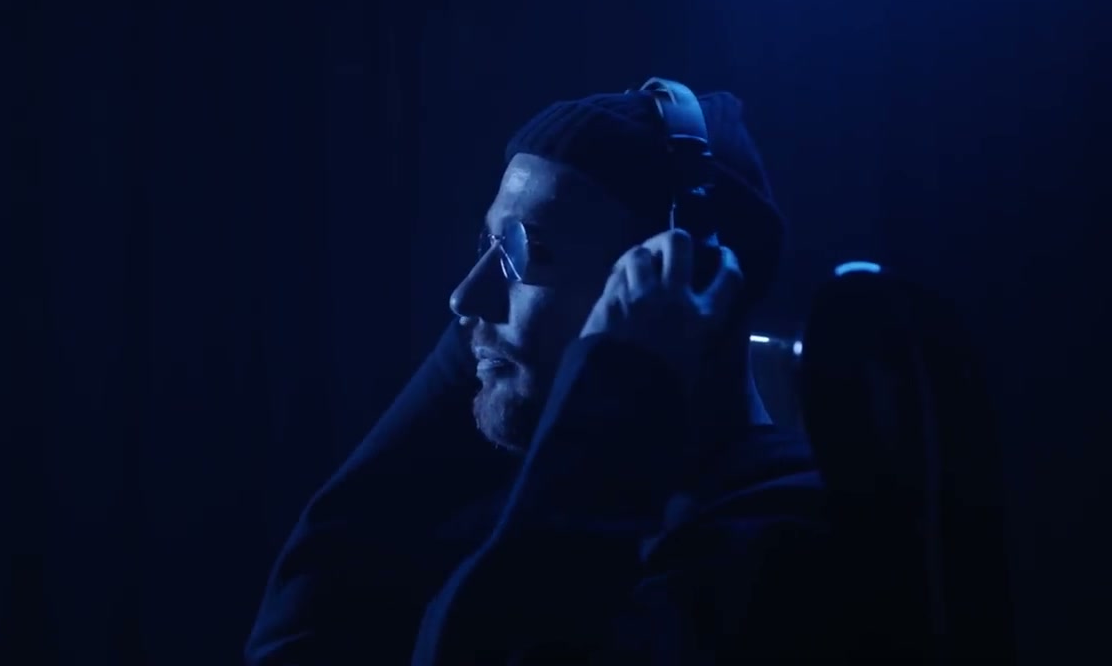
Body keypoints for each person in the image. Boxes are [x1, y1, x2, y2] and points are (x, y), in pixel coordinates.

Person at [246, 85, 835, 664]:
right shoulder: (523, 514)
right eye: (488, 242)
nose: (462, 297)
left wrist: (615, 381)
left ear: (680, 277)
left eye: (529, 250)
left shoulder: (779, 556)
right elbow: (301, 635)